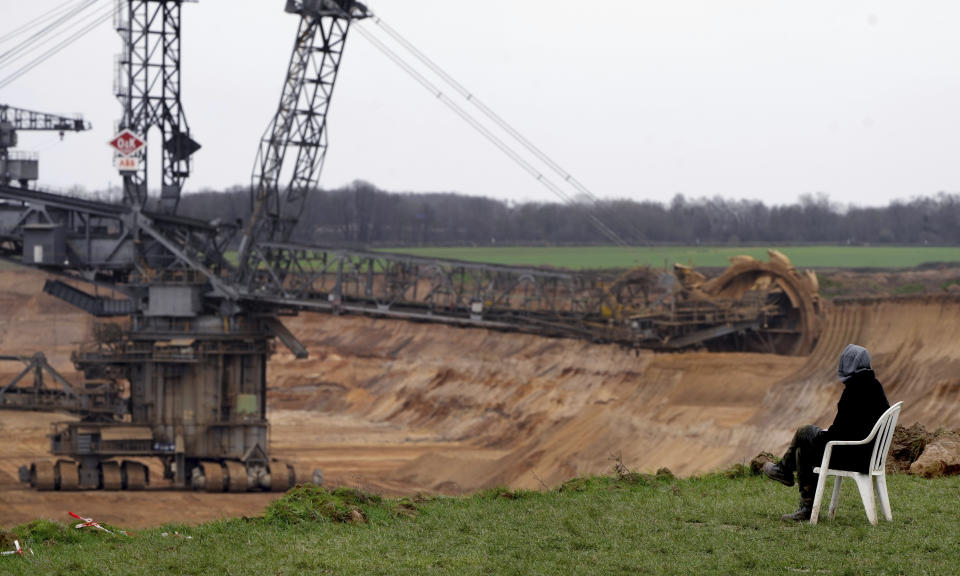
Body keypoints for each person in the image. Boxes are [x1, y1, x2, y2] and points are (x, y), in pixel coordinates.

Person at [762, 344, 890, 521]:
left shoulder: (854, 391)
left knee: (804, 433)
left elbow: (838, 434)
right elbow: (850, 429)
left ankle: (785, 472)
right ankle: (793, 487)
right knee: (803, 448)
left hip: (855, 457)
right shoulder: (873, 386)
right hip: (868, 454)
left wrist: (819, 436)